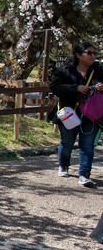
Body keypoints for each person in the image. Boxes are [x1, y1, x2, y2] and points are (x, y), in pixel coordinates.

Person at [49, 41, 103, 187]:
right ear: (78, 55)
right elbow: (55, 87)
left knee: (87, 145)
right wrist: (76, 88)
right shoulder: (65, 70)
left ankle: (85, 174)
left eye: (94, 53)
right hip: (70, 113)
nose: (93, 56)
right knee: (67, 143)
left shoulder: (99, 70)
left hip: (90, 114)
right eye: (89, 53)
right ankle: (63, 164)